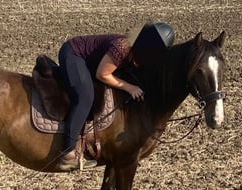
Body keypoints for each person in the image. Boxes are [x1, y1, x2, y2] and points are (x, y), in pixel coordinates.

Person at [56, 22, 175, 171]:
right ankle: (68, 152)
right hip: (73, 54)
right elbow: (102, 74)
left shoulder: (136, 51)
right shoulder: (122, 48)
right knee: (85, 97)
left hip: (91, 62)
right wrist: (130, 87)